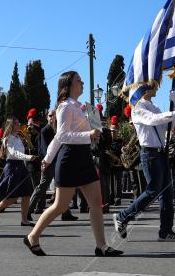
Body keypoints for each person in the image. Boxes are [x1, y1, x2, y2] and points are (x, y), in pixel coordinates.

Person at [24, 71, 123, 257]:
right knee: (60, 206)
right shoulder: (65, 107)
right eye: (79, 80)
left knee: (96, 202)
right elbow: (62, 136)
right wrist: (88, 135)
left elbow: (62, 137)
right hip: (70, 158)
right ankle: (32, 236)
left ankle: (101, 246)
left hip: (83, 156)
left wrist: (94, 133)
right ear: (68, 85)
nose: (83, 82)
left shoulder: (78, 107)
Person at [113, 87, 175, 241]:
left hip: (160, 153)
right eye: (153, 84)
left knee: (167, 194)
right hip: (149, 154)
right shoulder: (137, 107)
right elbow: (152, 120)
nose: (156, 86)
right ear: (144, 88)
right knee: (152, 191)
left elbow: (167, 126)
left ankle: (166, 231)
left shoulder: (154, 107)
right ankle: (123, 216)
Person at [0, 118, 38, 226]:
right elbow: (14, 153)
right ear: (11, 126)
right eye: (17, 123)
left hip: (21, 166)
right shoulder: (7, 139)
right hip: (12, 167)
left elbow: (22, 151)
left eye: (18, 123)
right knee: (13, 197)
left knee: (26, 195)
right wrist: (28, 157)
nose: (19, 124)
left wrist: (30, 151)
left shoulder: (19, 138)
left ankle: (24, 220)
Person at [29, 110, 57, 218]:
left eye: (54, 116)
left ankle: (66, 213)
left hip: (57, 162)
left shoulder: (57, 130)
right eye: (50, 116)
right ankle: (29, 210)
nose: (52, 118)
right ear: (47, 118)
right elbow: (45, 150)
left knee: (61, 186)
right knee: (42, 187)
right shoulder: (45, 131)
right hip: (48, 162)